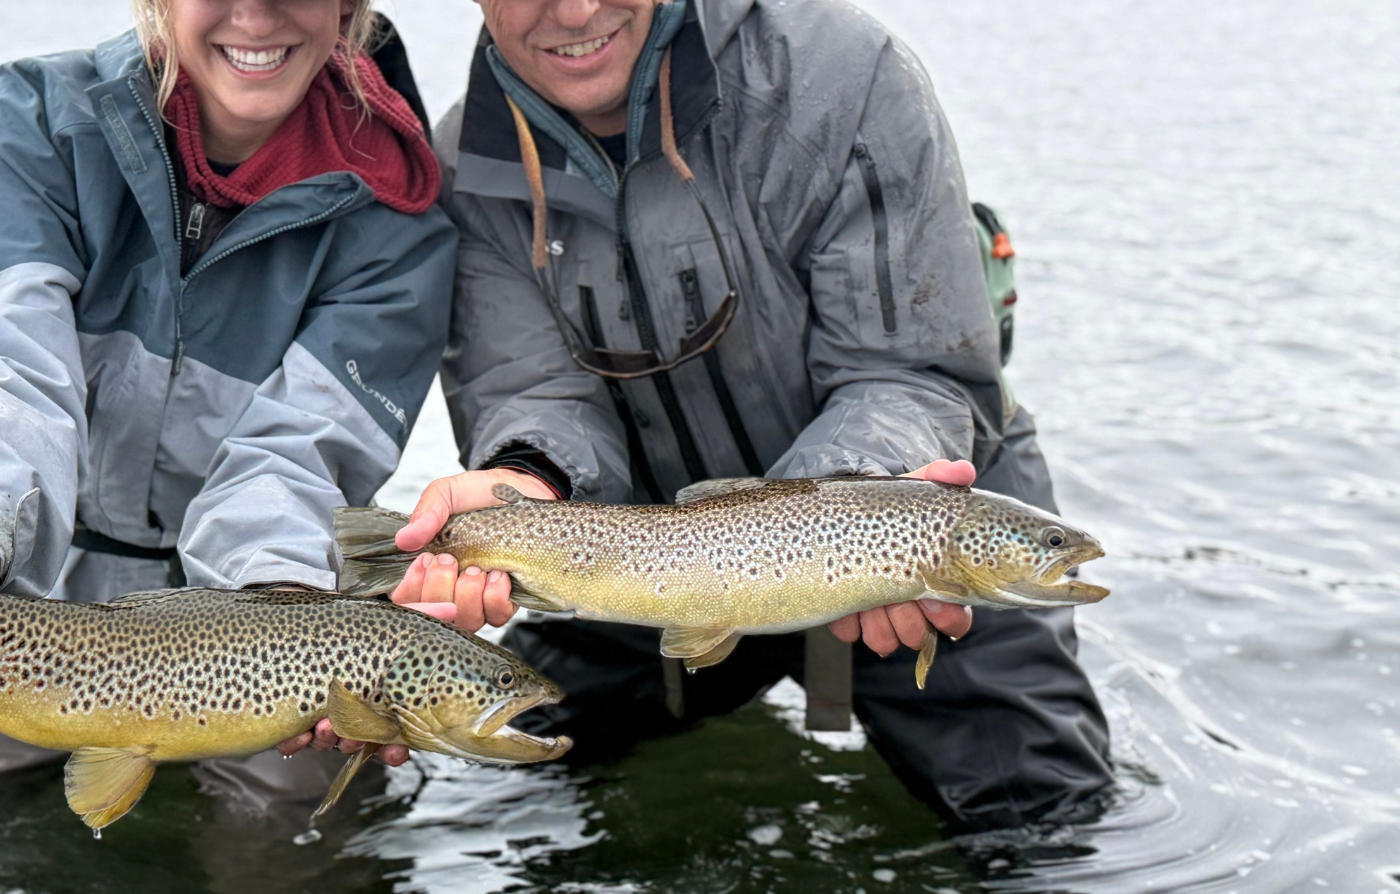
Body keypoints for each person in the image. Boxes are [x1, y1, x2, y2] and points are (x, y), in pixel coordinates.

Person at [376, 0, 1111, 830]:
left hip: (903, 501)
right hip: (646, 557)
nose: (575, 9)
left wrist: (864, 510)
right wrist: (525, 483)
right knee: (504, 772)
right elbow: (532, 392)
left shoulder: (843, 74)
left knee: (1051, 833)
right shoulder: (463, 162)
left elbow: (907, 370)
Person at [0, 0, 453, 810]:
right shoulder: (37, 120)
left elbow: (299, 457)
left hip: (270, 608)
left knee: (294, 870)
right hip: (31, 604)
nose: (257, 12)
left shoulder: (401, 218)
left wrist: (287, 622)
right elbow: (2, 361)